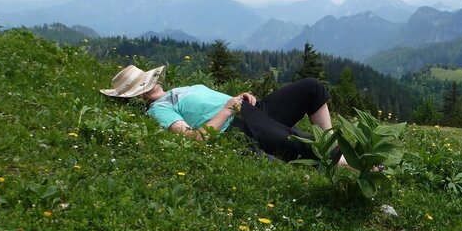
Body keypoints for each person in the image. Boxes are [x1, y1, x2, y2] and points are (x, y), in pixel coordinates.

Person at [100, 64, 345, 164]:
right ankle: (354, 164)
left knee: (312, 87)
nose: (152, 81)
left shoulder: (178, 90)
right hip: (237, 125)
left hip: (250, 109)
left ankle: (330, 141)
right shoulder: (159, 109)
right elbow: (194, 139)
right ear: (139, 95)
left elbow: (215, 102)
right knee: (298, 143)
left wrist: (239, 96)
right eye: (144, 83)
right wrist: (229, 109)